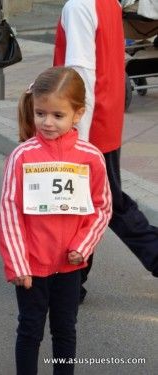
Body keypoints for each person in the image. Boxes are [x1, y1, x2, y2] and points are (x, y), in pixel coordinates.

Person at [0, 67, 112, 375]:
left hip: (70, 265)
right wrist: (18, 263)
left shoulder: (91, 157)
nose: (47, 122)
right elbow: (9, 211)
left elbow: (102, 207)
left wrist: (83, 246)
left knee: (65, 330)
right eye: (41, 113)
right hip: (32, 266)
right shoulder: (22, 156)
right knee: (30, 330)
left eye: (58, 115)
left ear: (78, 114)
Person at [54, 0, 158, 303]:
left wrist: (77, 140)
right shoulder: (108, 2)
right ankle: (74, 281)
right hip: (105, 120)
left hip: (90, 126)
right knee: (97, 203)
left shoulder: (78, 6)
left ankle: (72, 282)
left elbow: (80, 76)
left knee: (95, 206)